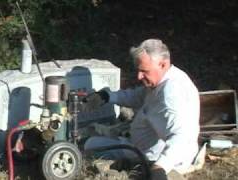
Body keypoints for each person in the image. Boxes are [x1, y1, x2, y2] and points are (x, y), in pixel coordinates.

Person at [83, 39, 200, 179]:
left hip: (154, 157)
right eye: (139, 71)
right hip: (143, 148)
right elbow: (137, 96)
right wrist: (107, 96)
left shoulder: (171, 94)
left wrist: (160, 167)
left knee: (90, 145)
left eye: (144, 71)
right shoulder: (163, 80)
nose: (139, 76)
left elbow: (182, 137)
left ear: (163, 64)